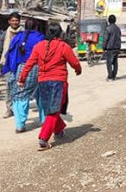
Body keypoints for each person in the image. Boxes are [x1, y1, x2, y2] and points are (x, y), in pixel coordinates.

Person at [18, 23, 81, 151]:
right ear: (59, 33)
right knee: (53, 111)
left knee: (51, 109)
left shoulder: (38, 46)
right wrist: (78, 70)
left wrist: (22, 79)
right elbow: (74, 62)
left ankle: (58, 130)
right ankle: (43, 139)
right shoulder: (63, 46)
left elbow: (29, 63)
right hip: (58, 82)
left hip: (43, 82)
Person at [3, 19, 46, 133]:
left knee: (20, 96)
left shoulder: (18, 37)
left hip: (21, 69)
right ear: (37, 27)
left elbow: (10, 54)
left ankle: (20, 125)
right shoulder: (40, 37)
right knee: (41, 94)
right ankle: (45, 121)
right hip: (38, 69)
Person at [0, 12, 23, 118]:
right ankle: (9, 109)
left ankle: (20, 108)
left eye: (16, 20)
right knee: (9, 86)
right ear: (9, 21)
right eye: (12, 20)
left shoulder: (23, 33)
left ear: (19, 21)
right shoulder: (5, 34)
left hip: (20, 63)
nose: (14, 22)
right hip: (7, 63)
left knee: (21, 86)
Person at [102, 14, 121, 81]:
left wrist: (103, 47)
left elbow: (105, 39)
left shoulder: (108, 29)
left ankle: (110, 77)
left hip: (110, 48)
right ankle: (114, 76)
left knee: (109, 63)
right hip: (117, 48)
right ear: (115, 20)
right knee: (115, 62)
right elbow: (119, 38)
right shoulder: (118, 28)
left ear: (109, 21)